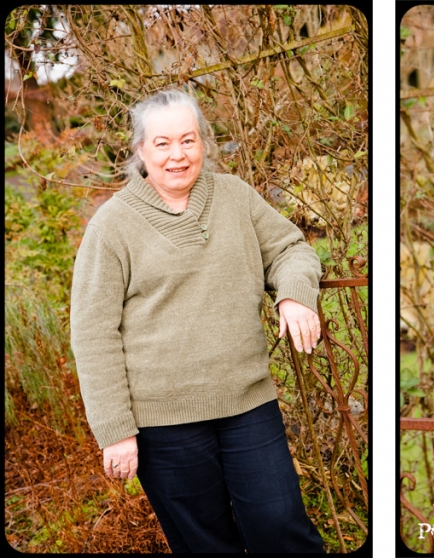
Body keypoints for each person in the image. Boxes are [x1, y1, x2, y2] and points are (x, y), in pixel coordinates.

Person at [70, 88, 326, 553]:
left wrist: (294, 294)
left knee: (282, 531)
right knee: (204, 544)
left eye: (188, 141)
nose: (177, 155)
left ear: (203, 143)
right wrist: (116, 430)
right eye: (163, 143)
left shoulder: (235, 197)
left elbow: (291, 249)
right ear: (140, 150)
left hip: (248, 404)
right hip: (162, 424)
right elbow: (92, 333)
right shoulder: (112, 226)